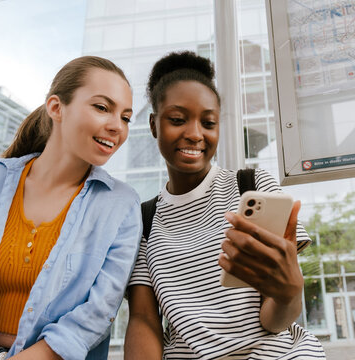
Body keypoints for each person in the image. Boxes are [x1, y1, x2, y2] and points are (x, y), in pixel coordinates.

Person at [125, 51, 325, 359]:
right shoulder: (144, 219)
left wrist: (288, 294)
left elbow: (273, 321)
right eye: (178, 120)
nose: (194, 134)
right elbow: (144, 321)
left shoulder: (253, 186)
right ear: (154, 125)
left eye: (208, 122)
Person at [0, 56, 142, 360]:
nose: (117, 126)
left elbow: (98, 312)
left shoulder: (122, 205)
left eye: (126, 117)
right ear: (56, 107)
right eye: (102, 108)